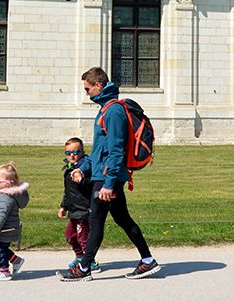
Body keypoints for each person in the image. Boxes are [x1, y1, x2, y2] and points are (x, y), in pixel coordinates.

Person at [59, 67, 159, 282]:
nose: (86, 93)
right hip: (102, 175)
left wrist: (108, 184)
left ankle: (84, 267)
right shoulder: (105, 108)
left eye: (87, 88)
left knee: (96, 221)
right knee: (123, 219)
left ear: (98, 85)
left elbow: (116, 150)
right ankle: (148, 260)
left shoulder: (113, 111)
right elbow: (99, 151)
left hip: (107, 178)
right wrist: (83, 169)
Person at [0, 161, 30, 282]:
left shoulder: (5, 198)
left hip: (5, 230)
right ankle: (17, 260)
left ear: (8, 183)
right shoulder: (5, 195)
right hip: (5, 229)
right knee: (0, 248)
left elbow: (1, 216)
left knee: (0, 250)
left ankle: (5, 272)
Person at [59, 137, 98, 270]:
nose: (72, 155)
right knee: (70, 236)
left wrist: (81, 180)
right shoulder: (68, 170)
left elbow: (92, 185)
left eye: (76, 152)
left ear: (82, 151)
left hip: (84, 209)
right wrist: (63, 206)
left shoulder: (86, 168)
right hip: (73, 210)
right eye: (68, 153)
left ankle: (90, 261)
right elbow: (68, 192)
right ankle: (80, 257)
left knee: (83, 238)